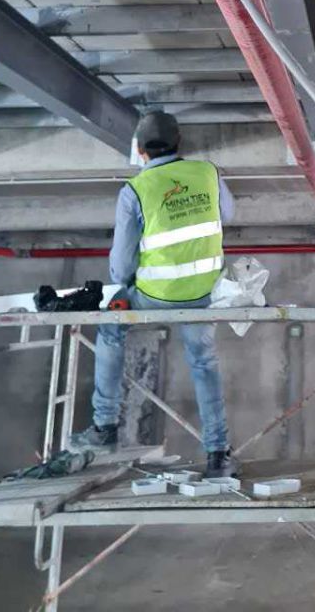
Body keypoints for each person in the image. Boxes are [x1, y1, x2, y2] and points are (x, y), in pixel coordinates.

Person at [70, 111, 237, 477]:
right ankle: (218, 453)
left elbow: (121, 263)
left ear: (140, 151)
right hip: (204, 293)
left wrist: (125, 287)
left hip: (155, 295)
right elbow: (227, 213)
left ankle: (105, 426)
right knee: (204, 363)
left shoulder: (135, 190)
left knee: (111, 326)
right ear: (179, 143)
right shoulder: (207, 172)